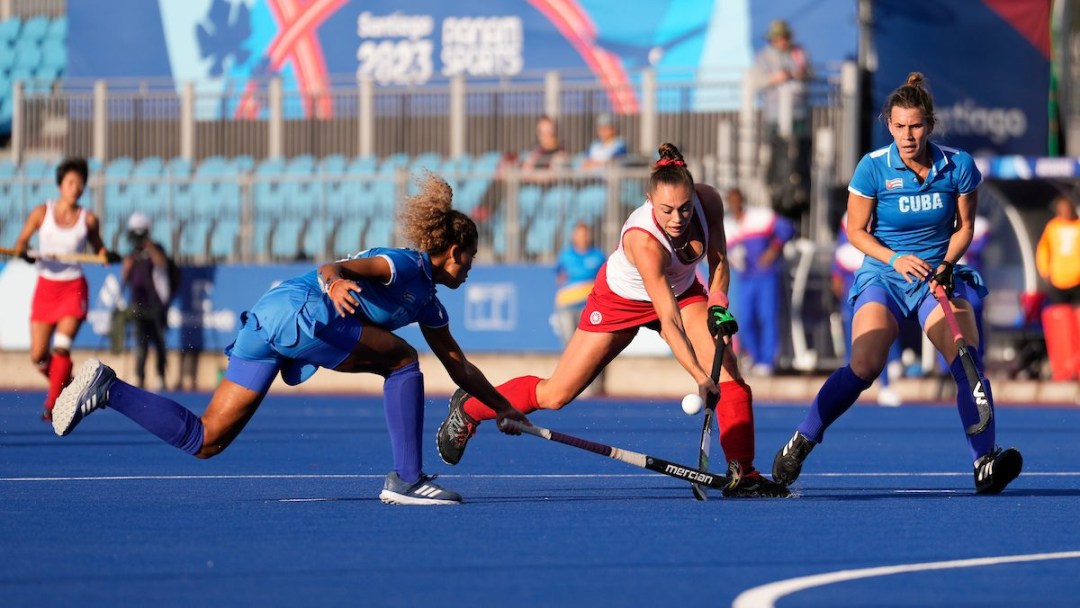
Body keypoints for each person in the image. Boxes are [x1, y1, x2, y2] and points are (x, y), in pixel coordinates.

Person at [52, 173, 530, 506]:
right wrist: (337, 284)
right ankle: (407, 480)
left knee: (207, 440)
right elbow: (332, 268)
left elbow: (459, 368)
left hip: (273, 319)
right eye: (469, 259)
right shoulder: (402, 264)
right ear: (452, 252)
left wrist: (502, 408)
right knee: (403, 360)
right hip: (303, 311)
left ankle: (107, 388)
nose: (470, 269)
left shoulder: (430, 303)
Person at [437, 143, 791, 498]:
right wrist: (699, 376)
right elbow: (669, 323)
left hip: (682, 292)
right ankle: (470, 407)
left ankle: (744, 473)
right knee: (557, 393)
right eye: (666, 210)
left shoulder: (709, 202)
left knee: (729, 370)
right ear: (649, 200)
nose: (678, 219)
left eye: (684, 209)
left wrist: (717, 303)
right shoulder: (644, 240)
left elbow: (719, 262)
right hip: (621, 301)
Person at [771, 72, 1022, 495]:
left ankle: (985, 461)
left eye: (917, 126)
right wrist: (894, 257)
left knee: (966, 357)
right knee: (865, 365)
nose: (908, 136)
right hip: (884, 275)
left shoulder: (957, 165)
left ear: (930, 125)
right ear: (889, 123)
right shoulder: (872, 167)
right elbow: (856, 230)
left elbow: (965, 227)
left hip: (937, 277)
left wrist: (945, 263)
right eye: (900, 126)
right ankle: (804, 437)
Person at [11, 157, 116, 422]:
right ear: (61, 184)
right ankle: (65, 383)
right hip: (46, 287)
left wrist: (104, 254)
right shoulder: (40, 213)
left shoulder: (88, 219)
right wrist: (24, 252)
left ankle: (52, 405)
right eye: (71, 182)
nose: (76, 188)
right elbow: (21, 242)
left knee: (61, 346)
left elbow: (98, 247)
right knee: (38, 356)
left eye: (80, 184)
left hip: (73, 288)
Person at [833, 212, 903, 407]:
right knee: (853, 343)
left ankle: (886, 383)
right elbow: (837, 278)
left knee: (881, 333)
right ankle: (849, 389)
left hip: (874, 291)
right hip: (852, 299)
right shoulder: (845, 252)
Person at [723, 187, 794, 376]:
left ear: (742, 200)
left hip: (766, 275)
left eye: (737, 200)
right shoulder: (727, 225)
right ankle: (754, 356)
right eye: (731, 200)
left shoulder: (760, 217)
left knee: (767, 316)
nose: (734, 204)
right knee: (745, 320)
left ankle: (767, 360)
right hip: (745, 278)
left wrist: (773, 250)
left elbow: (786, 228)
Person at [755, 19, 812, 219]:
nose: (783, 41)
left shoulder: (798, 53)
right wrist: (775, 78)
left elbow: (809, 74)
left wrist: (799, 73)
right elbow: (756, 81)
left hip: (799, 114)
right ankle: (779, 192)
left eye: (785, 37)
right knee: (778, 154)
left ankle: (798, 190)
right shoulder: (763, 57)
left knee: (800, 155)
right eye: (779, 37)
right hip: (775, 117)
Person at [121, 212, 177, 391]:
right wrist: (129, 264)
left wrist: (150, 248)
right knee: (141, 342)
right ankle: (139, 375)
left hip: (156, 303)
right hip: (139, 303)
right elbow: (125, 276)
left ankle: (160, 375)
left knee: (159, 340)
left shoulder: (157, 248)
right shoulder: (133, 253)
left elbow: (162, 264)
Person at [551, 221, 607, 395]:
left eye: (585, 234)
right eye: (579, 234)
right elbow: (558, 275)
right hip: (567, 307)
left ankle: (595, 386)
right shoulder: (566, 255)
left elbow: (605, 277)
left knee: (591, 346)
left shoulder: (598, 256)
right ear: (574, 236)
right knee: (570, 346)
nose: (582, 237)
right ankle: (570, 385)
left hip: (590, 308)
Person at [1035, 195, 1080, 381]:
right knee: (1061, 321)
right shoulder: (1053, 227)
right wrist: (1045, 271)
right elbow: (1043, 250)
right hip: (1058, 280)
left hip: (1077, 279)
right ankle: (1063, 365)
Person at [520, 115, 568, 183]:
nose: (545, 136)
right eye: (542, 132)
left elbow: (552, 176)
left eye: (549, 132)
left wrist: (534, 177)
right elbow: (524, 173)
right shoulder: (535, 152)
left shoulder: (560, 153)